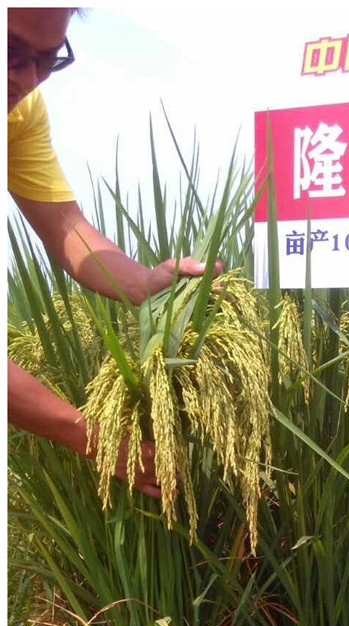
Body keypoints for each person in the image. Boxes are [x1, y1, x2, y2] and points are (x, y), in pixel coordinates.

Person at [8, 7, 219, 498]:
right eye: (12, 51)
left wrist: (145, 283)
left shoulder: (19, 112)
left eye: (48, 60)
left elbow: (65, 225)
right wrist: (96, 438)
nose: (29, 79)